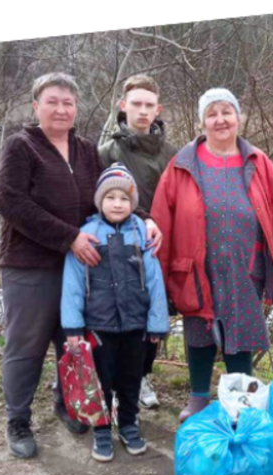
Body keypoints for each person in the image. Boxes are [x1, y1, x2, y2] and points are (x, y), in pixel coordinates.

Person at [0, 72, 161, 458]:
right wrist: (68, 237)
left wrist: (144, 218)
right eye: (52, 101)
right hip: (31, 264)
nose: (61, 109)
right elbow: (10, 201)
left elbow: (108, 198)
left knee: (72, 343)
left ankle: (66, 403)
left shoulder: (86, 149)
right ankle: (17, 420)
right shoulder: (21, 146)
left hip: (85, 267)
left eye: (68, 103)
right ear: (36, 106)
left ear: (76, 108)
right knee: (26, 345)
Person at [151, 88, 273, 422]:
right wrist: (161, 269)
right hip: (198, 264)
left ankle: (242, 397)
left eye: (226, 112)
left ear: (238, 117)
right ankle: (199, 397)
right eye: (212, 113)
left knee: (241, 332)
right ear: (202, 121)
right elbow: (162, 216)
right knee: (199, 329)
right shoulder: (182, 164)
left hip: (247, 264)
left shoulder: (259, 161)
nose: (220, 120)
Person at [60, 165, 168, 461]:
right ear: (99, 201)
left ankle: (130, 423)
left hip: (136, 326)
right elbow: (72, 284)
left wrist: (157, 324)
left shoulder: (141, 234)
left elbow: (156, 281)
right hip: (99, 325)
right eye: (111, 197)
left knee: (132, 378)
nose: (117, 203)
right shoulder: (87, 235)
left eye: (124, 197)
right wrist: (72, 328)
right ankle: (102, 429)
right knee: (102, 381)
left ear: (132, 203)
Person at [98, 74, 179, 410]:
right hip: (119, 250)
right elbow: (99, 201)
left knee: (155, 316)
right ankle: (113, 385)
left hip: (163, 247)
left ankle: (142, 375)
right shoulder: (106, 152)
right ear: (123, 106)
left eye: (149, 105)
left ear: (158, 109)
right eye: (136, 104)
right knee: (120, 318)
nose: (143, 111)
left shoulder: (174, 154)